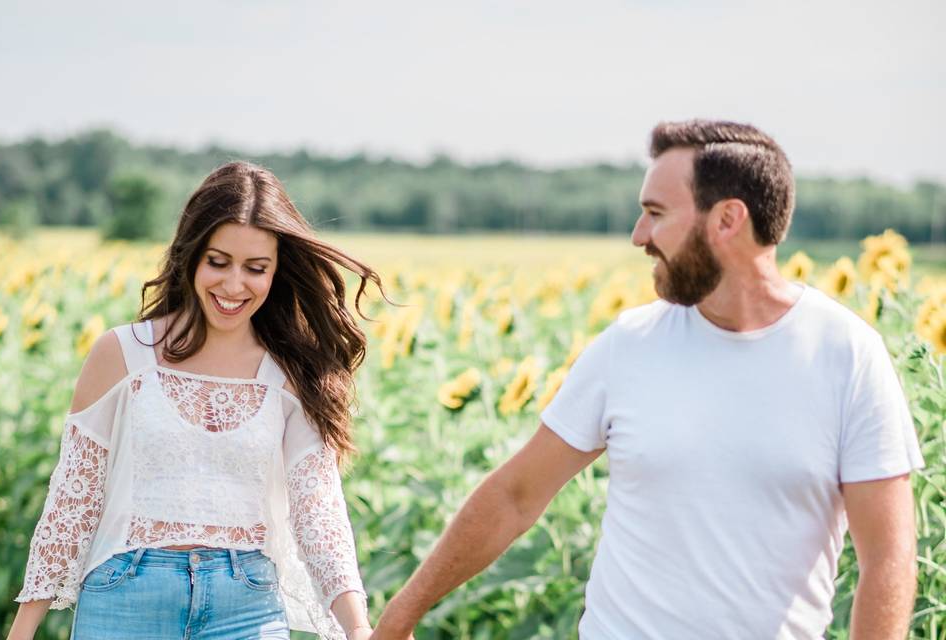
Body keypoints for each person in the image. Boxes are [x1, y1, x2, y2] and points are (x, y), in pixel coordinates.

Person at [372, 120, 925, 639]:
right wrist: (397, 620)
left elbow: (888, 558)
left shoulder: (848, 355)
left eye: (656, 213)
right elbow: (515, 498)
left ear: (727, 219)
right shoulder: (628, 344)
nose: (639, 236)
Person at [8, 161, 380, 640]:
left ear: (276, 271)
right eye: (218, 262)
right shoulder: (122, 355)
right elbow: (73, 501)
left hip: (247, 606)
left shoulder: (288, 375)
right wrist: (22, 631)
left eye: (256, 268)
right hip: (126, 597)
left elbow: (319, 513)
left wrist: (358, 627)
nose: (233, 285)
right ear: (190, 257)